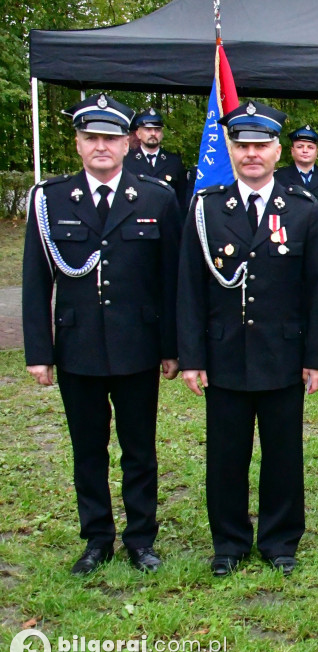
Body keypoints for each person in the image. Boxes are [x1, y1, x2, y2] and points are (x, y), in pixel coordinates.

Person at [22, 94, 181, 575]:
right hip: (78, 347)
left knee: (139, 448)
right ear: (77, 143)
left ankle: (140, 539)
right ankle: (96, 539)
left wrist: (172, 347)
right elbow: (36, 281)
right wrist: (38, 351)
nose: (101, 147)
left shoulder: (156, 198)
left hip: (138, 346)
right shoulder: (49, 200)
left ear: (128, 143)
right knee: (87, 449)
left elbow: (170, 280)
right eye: (91, 138)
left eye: (110, 138)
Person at [177, 100, 318, 577]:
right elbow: (189, 286)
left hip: (283, 353)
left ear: (277, 149)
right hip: (224, 354)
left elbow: (316, 292)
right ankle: (228, 542)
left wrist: (316, 358)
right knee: (226, 453)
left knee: (283, 453)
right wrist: (192, 356)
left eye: (260, 145)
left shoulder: (304, 210)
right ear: (231, 148)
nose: (251, 154)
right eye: (242, 145)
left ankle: (280, 540)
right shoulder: (206, 208)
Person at [274, 125, 318, 268]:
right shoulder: (278, 177)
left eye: (310, 147)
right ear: (292, 151)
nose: (305, 150)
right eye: (300, 146)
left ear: (316, 151)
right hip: (287, 246)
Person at [122, 107, 189, 213]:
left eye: (157, 130)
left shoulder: (174, 162)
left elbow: (182, 200)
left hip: (166, 224)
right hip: (135, 223)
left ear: (161, 134)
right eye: (148, 129)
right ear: (138, 134)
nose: (153, 133)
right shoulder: (126, 161)